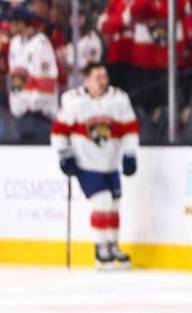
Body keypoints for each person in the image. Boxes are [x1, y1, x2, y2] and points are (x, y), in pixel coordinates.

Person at [51, 62, 139, 267]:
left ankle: (112, 245)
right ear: (87, 80)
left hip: (110, 162)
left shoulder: (119, 98)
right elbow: (59, 131)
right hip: (85, 163)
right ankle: (101, 249)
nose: (102, 81)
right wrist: (65, 155)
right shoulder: (73, 101)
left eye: (104, 76)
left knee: (114, 205)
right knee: (102, 202)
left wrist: (129, 154)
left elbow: (129, 129)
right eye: (97, 77)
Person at [7, 5, 58, 142]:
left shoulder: (41, 44)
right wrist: (17, 106)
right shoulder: (15, 43)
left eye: (12, 22)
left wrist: (34, 105)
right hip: (20, 114)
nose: (9, 25)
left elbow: (47, 81)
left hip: (39, 116)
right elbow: (14, 78)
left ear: (22, 23)